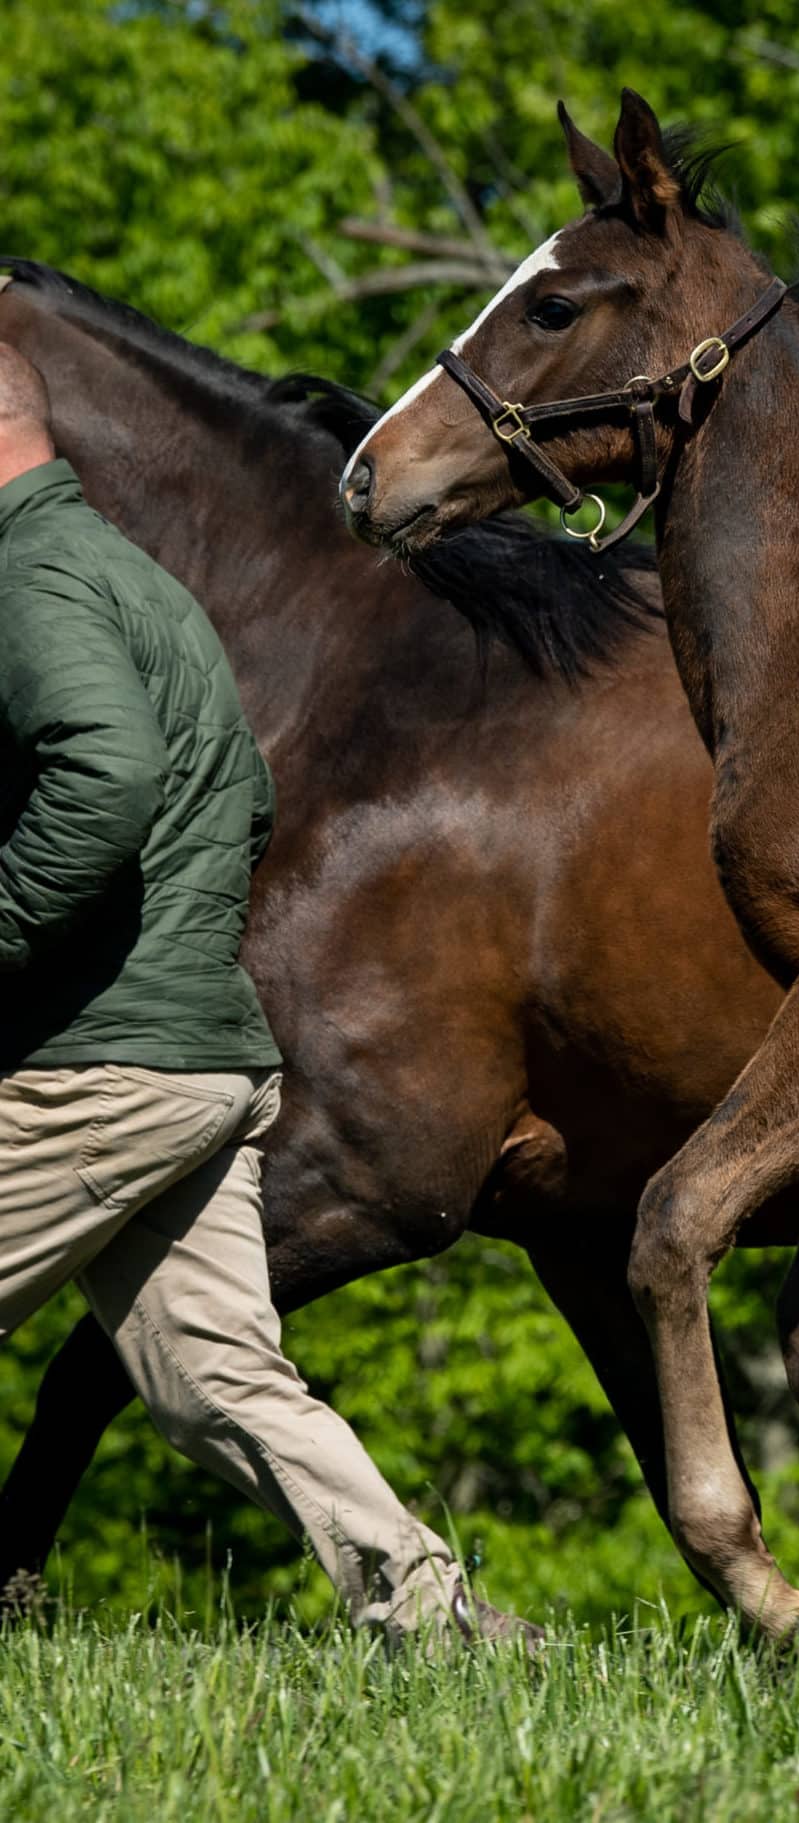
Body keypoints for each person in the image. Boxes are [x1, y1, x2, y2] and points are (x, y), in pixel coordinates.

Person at [0, 340, 532, 1646]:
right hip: (203, 1065)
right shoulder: (134, 579)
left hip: (105, 1069)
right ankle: (434, 1614)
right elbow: (234, 793)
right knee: (216, 1377)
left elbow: (109, 776)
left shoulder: (21, 581)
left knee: (219, 1378)